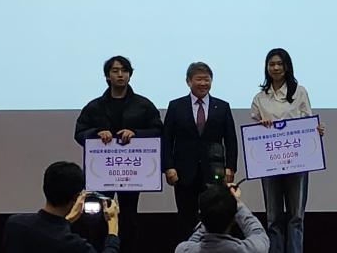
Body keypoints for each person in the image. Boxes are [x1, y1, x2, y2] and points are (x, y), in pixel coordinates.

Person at [74, 56, 163, 253]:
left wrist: (136, 133)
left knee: (129, 217)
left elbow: (158, 130)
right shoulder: (95, 106)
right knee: (97, 216)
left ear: (130, 75)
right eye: (115, 71)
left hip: (132, 173)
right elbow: (79, 132)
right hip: (102, 173)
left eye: (124, 71)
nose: (120, 75)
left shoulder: (143, 105)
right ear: (107, 76)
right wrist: (96, 133)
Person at [250, 48, 324, 253]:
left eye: (280, 64)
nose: (275, 68)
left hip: (297, 162)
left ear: (287, 66)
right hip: (270, 164)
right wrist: (261, 125)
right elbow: (253, 133)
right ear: (266, 67)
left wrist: (316, 130)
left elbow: (308, 123)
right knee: (273, 217)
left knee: (296, 216)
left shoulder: (300, 92)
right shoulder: (260, 97)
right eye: (271, 64)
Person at [163, 61, 239, 240]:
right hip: (183, 172)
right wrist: (168, 167)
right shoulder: (176, 106)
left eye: (207, 79)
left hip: (214, 172)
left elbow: (231, 140)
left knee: (215, 216)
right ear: (188, 81)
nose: (203, 83)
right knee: (186, 218)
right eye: (199, 79)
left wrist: (231, 167)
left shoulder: (222, 106)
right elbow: (166, 140)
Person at [3, 161, 121, 253]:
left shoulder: (15, 224)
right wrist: (113, 229)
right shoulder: (75, 245)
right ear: (76, 198)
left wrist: (66, 222)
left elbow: (48, 232)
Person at [174, 183, 269, 253]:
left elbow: (192, 242)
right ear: (234, 220)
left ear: (201, 218)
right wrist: (238, 203)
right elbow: (258, 232)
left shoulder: (183, 250)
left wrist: (207, 213)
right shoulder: (251, 250)